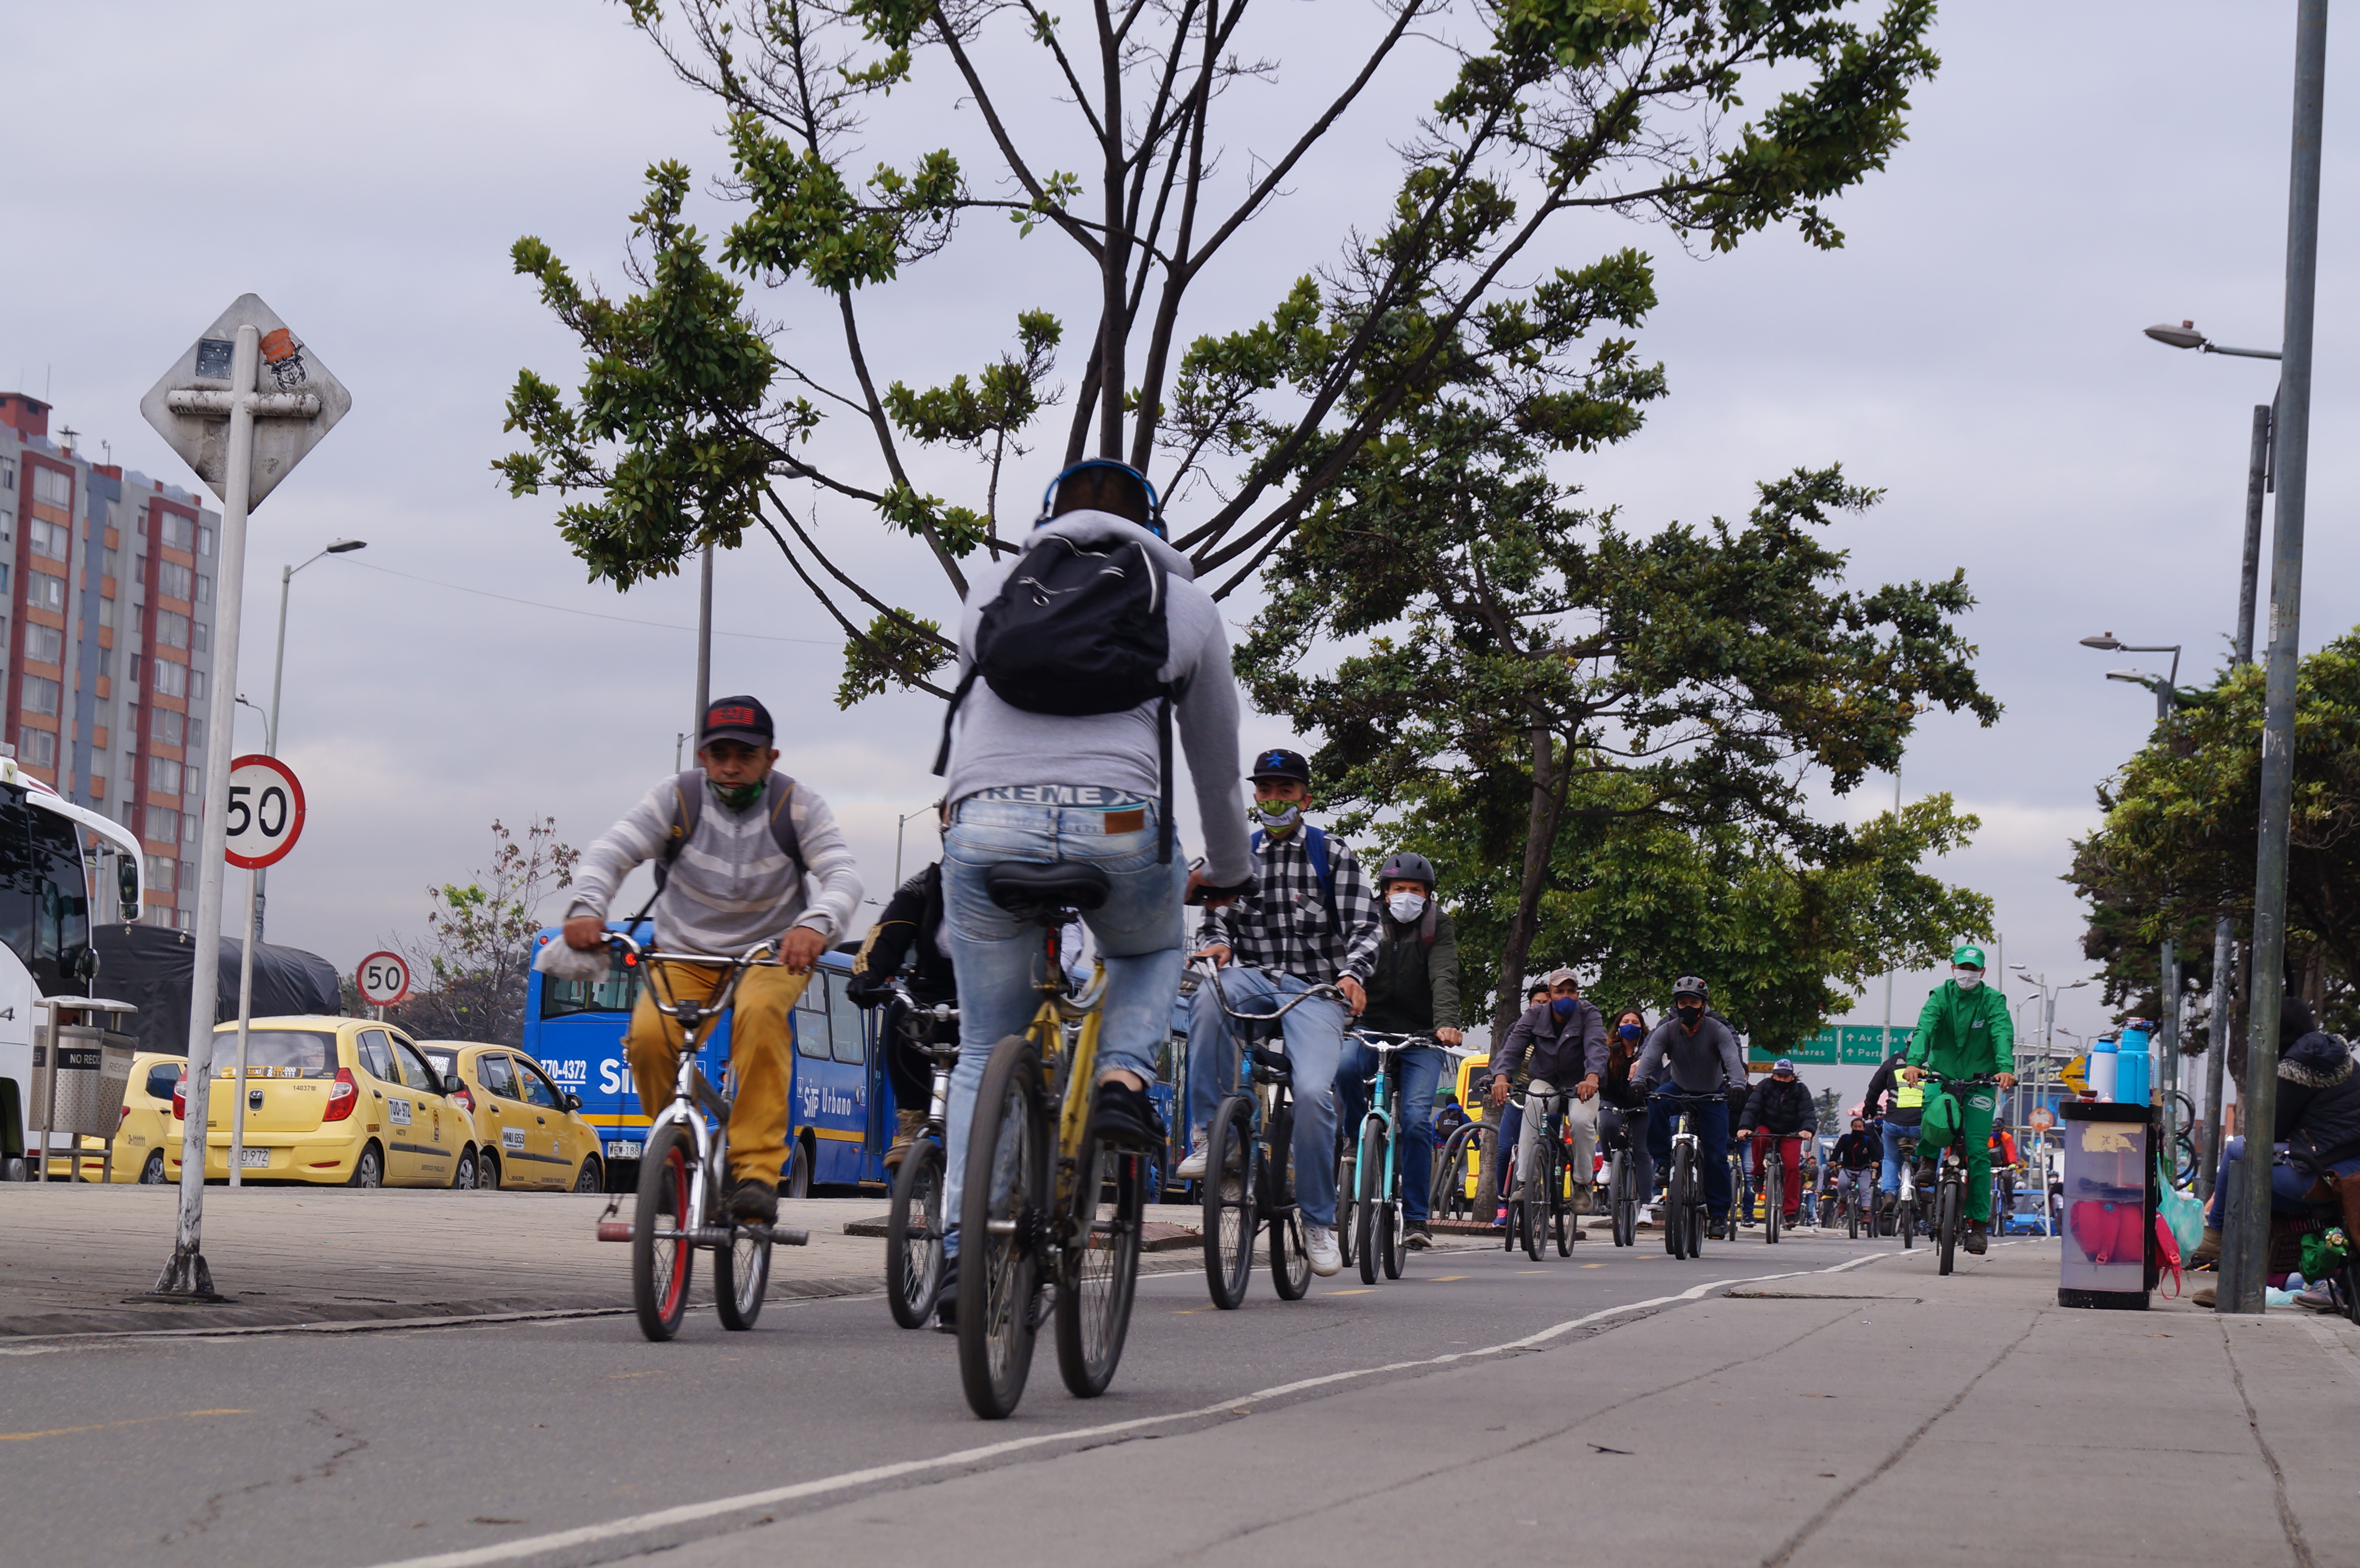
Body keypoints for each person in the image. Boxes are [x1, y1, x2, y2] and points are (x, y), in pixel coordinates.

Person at [933, 458, 1250, 1328]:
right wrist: (1227, 867)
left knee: (981, 1049)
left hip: (985, 822)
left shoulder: (995, 581)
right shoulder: (1183, 603)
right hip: (1117, 826)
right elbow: (1216, 764)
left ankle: (962, 1253)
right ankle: (1120, 1075)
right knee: (1149, 946)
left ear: (1047, 517)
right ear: (1153, 522)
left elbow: (972, 704)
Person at [562, 695, 865, 1225]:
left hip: (769, 956)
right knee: (649, 1038)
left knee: (761, 1020)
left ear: (770, 759)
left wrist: (815, 924)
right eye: (718, 752)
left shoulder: (796, 805)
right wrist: (589, 907)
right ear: (702, 756)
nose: (731, 765)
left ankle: (756, 1173)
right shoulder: (677, 799)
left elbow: (842, 875)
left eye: (745, 755)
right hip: (686, 953)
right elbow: (611, 851)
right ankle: (675, 1150)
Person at [1182, 746, 1379, 1276]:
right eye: (1265, 791)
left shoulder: (1331, 855)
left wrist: (1351, 975)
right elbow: (1213, 915)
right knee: (1207, 999)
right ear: (1255, 797)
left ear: (1304, 799)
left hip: (1316, 991)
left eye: (1285, 791)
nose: (1273, 800)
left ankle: (1317, 1221)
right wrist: (1216, 944)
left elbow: (1366, 928)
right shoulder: (1236, 857)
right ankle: (1211, 1136)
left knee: (1316, 1092)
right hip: (1255, 978)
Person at [1335, 850, 1463, 1250]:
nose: (1406, 896)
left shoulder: (1437, 926)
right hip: (1367, 1027)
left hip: (1422, 1037)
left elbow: (1444, 974)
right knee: (1342, 1069)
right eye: (1399, 889)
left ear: (1427, 895)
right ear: (1385, 892)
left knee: (1417, 1119)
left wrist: (1446, 1023)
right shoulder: (1366, 920)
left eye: (1415, 890)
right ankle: (1358, 1139)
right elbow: (1345, 966)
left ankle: (1417, 1219)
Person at [2192, 993, 2360, 1284]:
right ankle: (2245, 1284)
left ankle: (2218, 1237)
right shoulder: (2341, 1059)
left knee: (2236, 1152)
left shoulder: (2300, 1063)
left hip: (2326, 1176)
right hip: (2350, 1172)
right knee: (2249, 1190)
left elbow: (2271, 1133)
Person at [1901, 943, 2016, 1254]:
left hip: (1980, 1084)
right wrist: (1915, 1062)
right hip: (1943, 1077)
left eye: (1973, 969)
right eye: (1962, 968)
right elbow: (1925, 1028)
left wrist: (2005, 1068)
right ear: (1953, 969)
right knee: (1934, 1115)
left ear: (1983, 972)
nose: (1967, 974)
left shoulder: (1993, 1001)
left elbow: (2002, 1033)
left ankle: (1978, 1225)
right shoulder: (1940, 997)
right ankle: (1927, 1159)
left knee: (1979, 1151)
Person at [846, 845, 955, 1170]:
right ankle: (911, 1123)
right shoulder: (925, 884)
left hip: (996, 999)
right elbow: (887, 933)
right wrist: (868, 975)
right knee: (901, 1012)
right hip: (935, 994)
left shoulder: (1009, 879)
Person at [1488, 968, 1605, 1233]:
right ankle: (1523, 1183)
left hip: (1582, 1085)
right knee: (1534, 1104)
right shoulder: (1535, 1015)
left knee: (1580, 1120)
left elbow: (1597, 1046)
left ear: (1577, 994)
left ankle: (1582, 1185)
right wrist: (1501, 1077)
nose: (1566, 996)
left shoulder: (1589, 1013)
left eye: (1571, 991)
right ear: (1550, 995)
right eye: (1560, 991)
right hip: (1546, 1081)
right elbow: (1513, 1047)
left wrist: (1593, 1077)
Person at [1639, 976, 1747, 1237]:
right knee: (1656, 1103)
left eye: (1694, 1002)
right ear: (1676, 1006)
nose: (1688, 1007)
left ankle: (1719, 1215)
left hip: (1712, 1093)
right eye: (1683, 1002)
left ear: (1704, 1004)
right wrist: (1637, 1081)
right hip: (1678, 1086)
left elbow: (1732, 1058)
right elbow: (1649, 1056)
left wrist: (1737, 1086)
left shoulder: (1717, 1029)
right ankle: (1664, 1162)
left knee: (1715, 1155)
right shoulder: (1667, 1029)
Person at [1738, 1057, 1818, 1226]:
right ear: (1773, 1076)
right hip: (1767, 1127)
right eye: (1778, 1076)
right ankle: (1759, 1175)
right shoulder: (1764, 1087)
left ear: (1793, 1077)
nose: (1781, 1079)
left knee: (1792, 1167)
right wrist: (1745, 1127)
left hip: (1791, 1132)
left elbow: (1808, 1113)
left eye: (1785, 1076)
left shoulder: (1801, 1090)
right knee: (1759, 1140)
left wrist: (1808, 1130)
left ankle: (1790, 1213)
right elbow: (1752, 1108)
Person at [1596, 1007, 1655, 1212]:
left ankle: (1646, 1205)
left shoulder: (1649, 1052)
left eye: (1635, 1023)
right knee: (1605, 1121)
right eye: (1625, 1022)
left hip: (1641, 1104)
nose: (1630, 1026)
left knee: (1642, 1151)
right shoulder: (1609, 1050)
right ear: (1618, 1027)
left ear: (1642, 1028)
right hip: (1613, 1101)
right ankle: (1608, 1161)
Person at [1862, 1045, 1926, 1230]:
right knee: (1932, 1152)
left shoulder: (1892, 1062)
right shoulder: (1935, 1062)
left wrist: (1871, 1110)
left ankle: (1890, 1192)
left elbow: (1874, 1089)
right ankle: (1929, 1189)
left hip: (1894, 1123)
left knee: (1890, 1159)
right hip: (1921, 1124)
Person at [1831, 1115, 1880, 1226]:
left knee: (1864, 1190)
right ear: (1852, 1127)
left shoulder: (1868, 1140)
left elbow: (1875, 1154)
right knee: (1842, 1185)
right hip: (1847, 1168)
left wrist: (1875, 1161)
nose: (1857, 1129)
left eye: (1860, 1127)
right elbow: (1837, 1151)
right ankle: (1843, 1201)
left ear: (1864, 1128)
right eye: (1855, 1127)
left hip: (1863, 1170)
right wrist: (1833, 1160)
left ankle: (1866, 1212)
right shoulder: (1845, 1139)